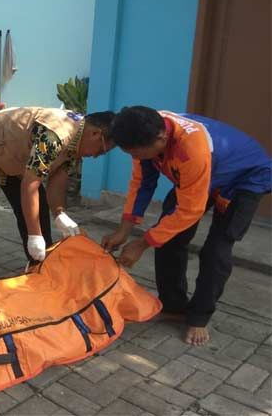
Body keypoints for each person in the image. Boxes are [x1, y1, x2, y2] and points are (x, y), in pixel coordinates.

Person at [103, 106, 271, 346]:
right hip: (204, 174)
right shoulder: (145, 130)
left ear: (161, 139)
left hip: (244, 178)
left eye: (139, 154)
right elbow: (141, 184)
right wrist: (123, 230)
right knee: (169, 238)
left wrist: (141, 243)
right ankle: (173, 307)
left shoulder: (191, 148)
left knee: (216, 250)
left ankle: (199, 317)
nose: (137, 159)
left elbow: (189, 211)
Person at [0, 108, 115, 290]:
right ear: (95, 133)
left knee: (39, 211)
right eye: (101, 150)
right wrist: (34, 236)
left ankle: (41, 274)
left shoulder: (77, 140)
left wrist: (59, 214)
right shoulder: (55, 135)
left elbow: (57, 181)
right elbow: (30, 186)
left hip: (14, 159)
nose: (95, 156)